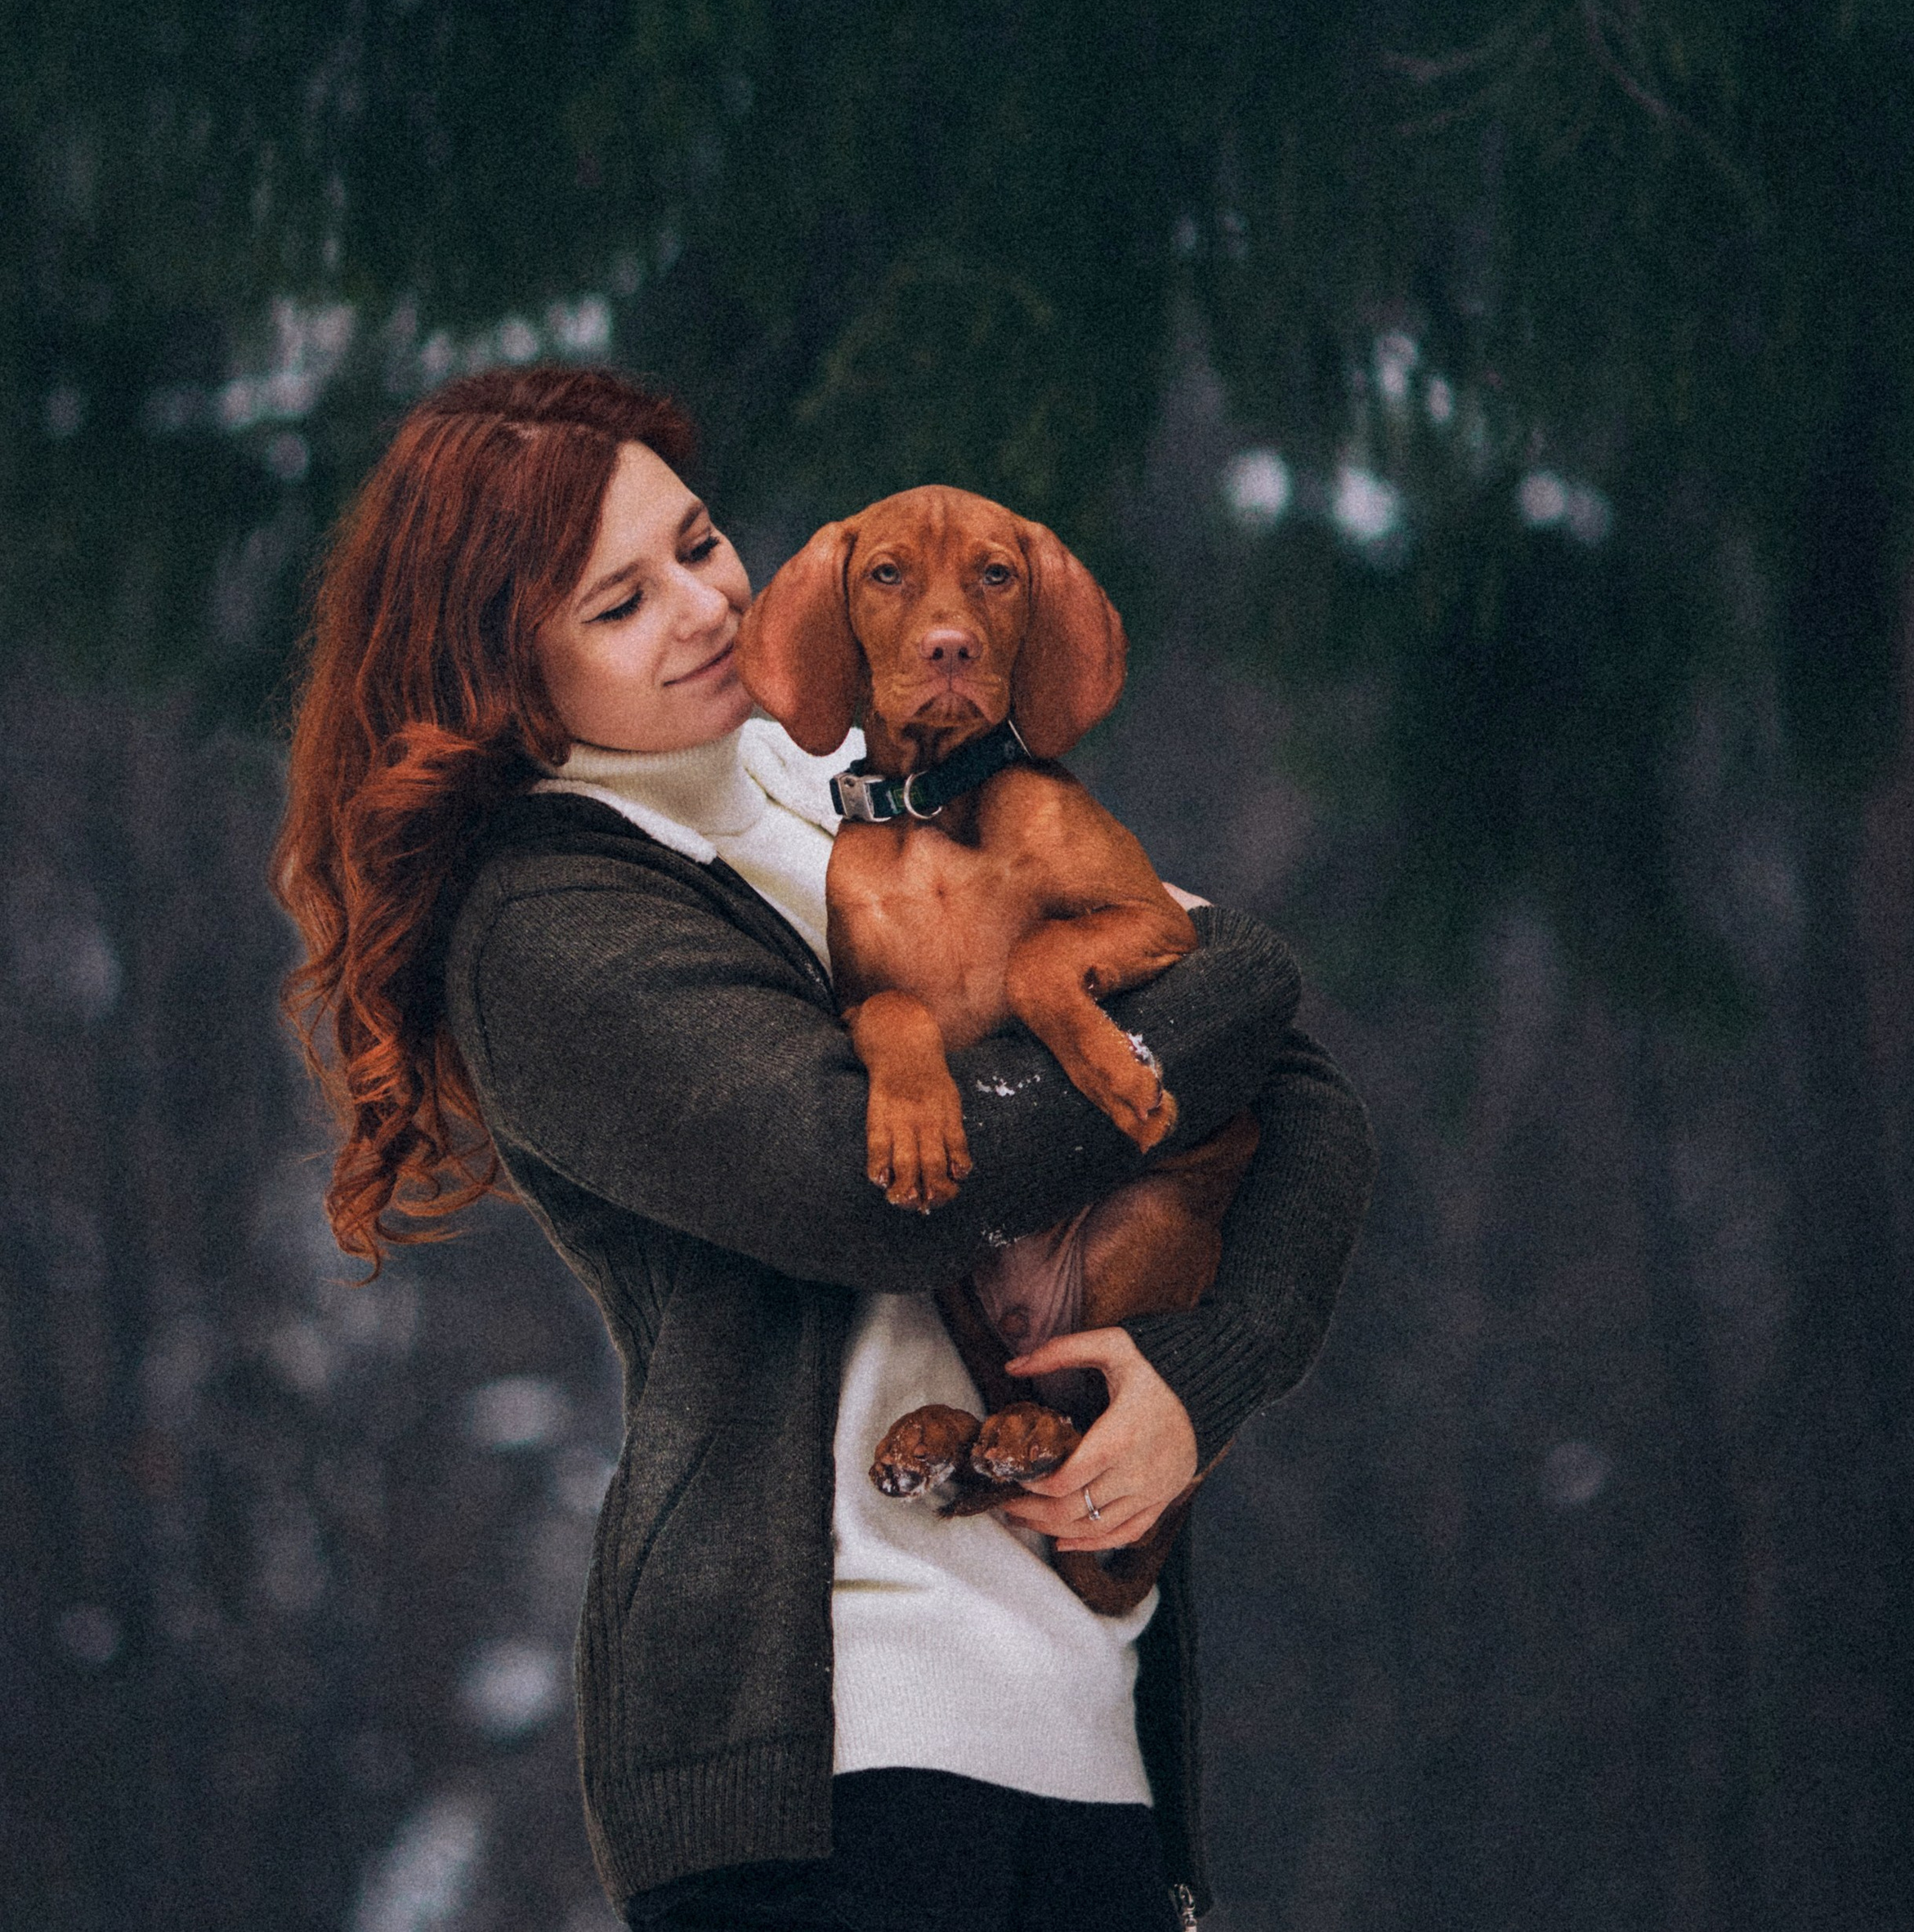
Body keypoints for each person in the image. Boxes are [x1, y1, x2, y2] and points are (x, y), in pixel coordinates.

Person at [271, 364, 1373, 1931]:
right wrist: (1231, 973)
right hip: (837, 1750)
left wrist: (1208, 1376)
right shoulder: (549, 921)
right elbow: (879, 1192)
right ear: (508, 679)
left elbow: (1301, 1092)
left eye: (698, 544)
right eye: (619, 606)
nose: (704, 608)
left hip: (1092, 1723)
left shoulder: (856, 782)